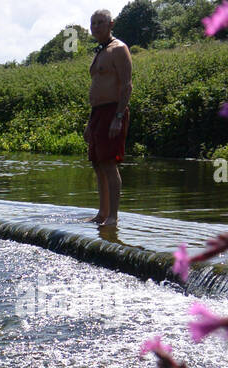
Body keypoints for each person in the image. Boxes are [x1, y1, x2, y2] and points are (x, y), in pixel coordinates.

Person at [84, 9, 132, 228]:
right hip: (97, 114)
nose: (96, 27)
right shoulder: (100, 51)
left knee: (109, 164)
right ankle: (102, 213)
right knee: (97, 164)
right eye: (93, 23)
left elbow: (126, 85)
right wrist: (89, 121)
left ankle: (113, 216)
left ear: (111, 24)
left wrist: (118, 117)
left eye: (100, 23)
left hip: (113, 111)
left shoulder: (119, 49)